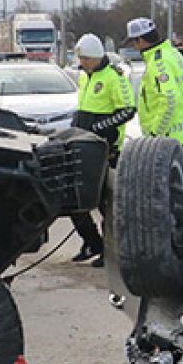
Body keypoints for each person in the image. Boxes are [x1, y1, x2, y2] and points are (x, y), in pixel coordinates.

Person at [69, 33, 137, 267]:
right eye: (81, 58)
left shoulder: (113, 77)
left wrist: (101, 127)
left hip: (105, 149)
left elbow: (127, 110)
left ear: (97, 57)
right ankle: (92, 243)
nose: (83, 63)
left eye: (86, 58)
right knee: (75, 200)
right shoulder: (84, 76)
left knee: (107, 205)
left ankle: (112, 252)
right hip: (83, 145)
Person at [123, 18, 183, 145]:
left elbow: (170, 99)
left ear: (140, 40)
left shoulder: (158, 62)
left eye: (134, 42)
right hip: (182, 134)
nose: (135, 47)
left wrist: (155, 134)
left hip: (166, 140)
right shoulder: (172, 53)